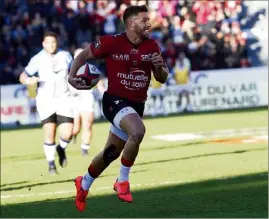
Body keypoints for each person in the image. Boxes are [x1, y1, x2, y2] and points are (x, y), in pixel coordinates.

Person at [68, 5, 169, 212]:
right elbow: (83, 55)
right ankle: (122, 181)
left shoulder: (152, 46)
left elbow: (162, 77)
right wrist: (71, 76)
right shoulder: (111, 42)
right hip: (114, 101)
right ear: (131, 23)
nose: (148, 23)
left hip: (136, 105)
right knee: (138, 131)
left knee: (110, 153)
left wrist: (159, 67)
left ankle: (84, 183)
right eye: (144, 20)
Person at [19, 31, 74, 174]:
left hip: (64, 97)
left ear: (57, 42)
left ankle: (61, 148)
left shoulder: (65, 56)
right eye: (48, 42)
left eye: (53, 42)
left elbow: (75, 70)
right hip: (45, 99)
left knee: (68, 133)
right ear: (43, 44)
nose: (51, 45)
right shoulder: (37, 59)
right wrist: (28, 80)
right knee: (50, 131)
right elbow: (23, 76)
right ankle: (51, 165)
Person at [70, 48, 105, 156]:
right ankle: (74, 135)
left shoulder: (90, 68)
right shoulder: (69, 69)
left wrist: (104, 92)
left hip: (87, 99)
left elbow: (99, 81)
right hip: (74, 100)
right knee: (76, 127)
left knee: (88, 124)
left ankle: (85, 148)